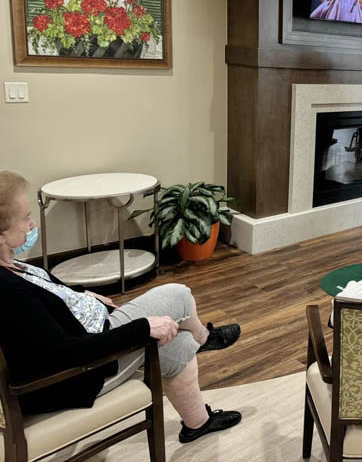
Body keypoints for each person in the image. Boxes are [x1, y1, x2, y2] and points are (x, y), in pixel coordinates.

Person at [0, 171, 242, 443]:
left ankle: (198, 424)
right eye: (25, 219)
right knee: (179, 295)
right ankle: (205, 338)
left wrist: (86, 294)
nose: (32, 224)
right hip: (85, 372)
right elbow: (65, 354)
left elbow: (51, 293)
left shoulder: (13, 267)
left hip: (95, 331)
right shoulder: (7, 292)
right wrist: (143, 328)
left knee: (178, 342)